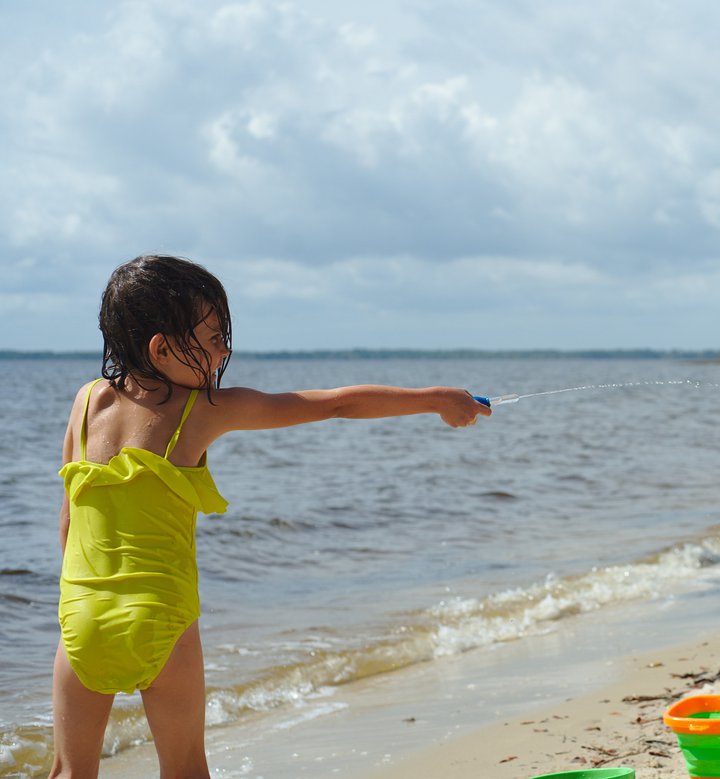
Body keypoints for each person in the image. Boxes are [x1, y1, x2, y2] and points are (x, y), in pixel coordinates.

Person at [50, 254, 490, 778]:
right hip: (161, 620)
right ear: (161, 348)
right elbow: (334, 404)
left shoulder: (85, 404)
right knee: (185, 769)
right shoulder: (201, 410)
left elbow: (68, 523)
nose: (224, 352)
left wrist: (89, 607)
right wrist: (436, 399)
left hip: (81, 621)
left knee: (70, 772)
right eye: (213, 339)